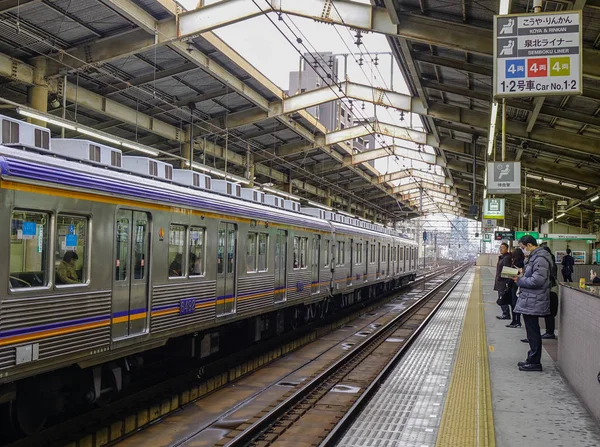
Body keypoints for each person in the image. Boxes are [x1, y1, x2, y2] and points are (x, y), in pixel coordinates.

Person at [513, 235, 553, 372]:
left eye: (523, 248)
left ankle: (535, 362)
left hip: (534, 299)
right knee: (531, 332)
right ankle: (531, 359)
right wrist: (521, 275)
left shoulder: (540, 258)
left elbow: (537, 281)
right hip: (531, 299)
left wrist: (520, 281)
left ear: (529, 245)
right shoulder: (535, 258)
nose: (523, 250)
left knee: (533, 332)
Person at [506, 247, 525, 328]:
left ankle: (516, 321)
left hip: (514, 286)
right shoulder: (522, 262)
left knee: (514, 304)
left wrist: (507, 283)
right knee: (515, 304)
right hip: (518, 286)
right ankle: (516, 321)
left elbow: (511, 276)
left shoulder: (516, 263)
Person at [494, 242, 513, 320]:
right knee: (501, 297)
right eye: (500, 248)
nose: (501, 249)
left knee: (502, 297)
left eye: (503, 248)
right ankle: (505, 313)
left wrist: (499, 277)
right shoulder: (502, 257)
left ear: (507, 249)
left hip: (503, 282)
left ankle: (506, 314)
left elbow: (507, 270)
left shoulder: (506, 258)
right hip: (501, 281)